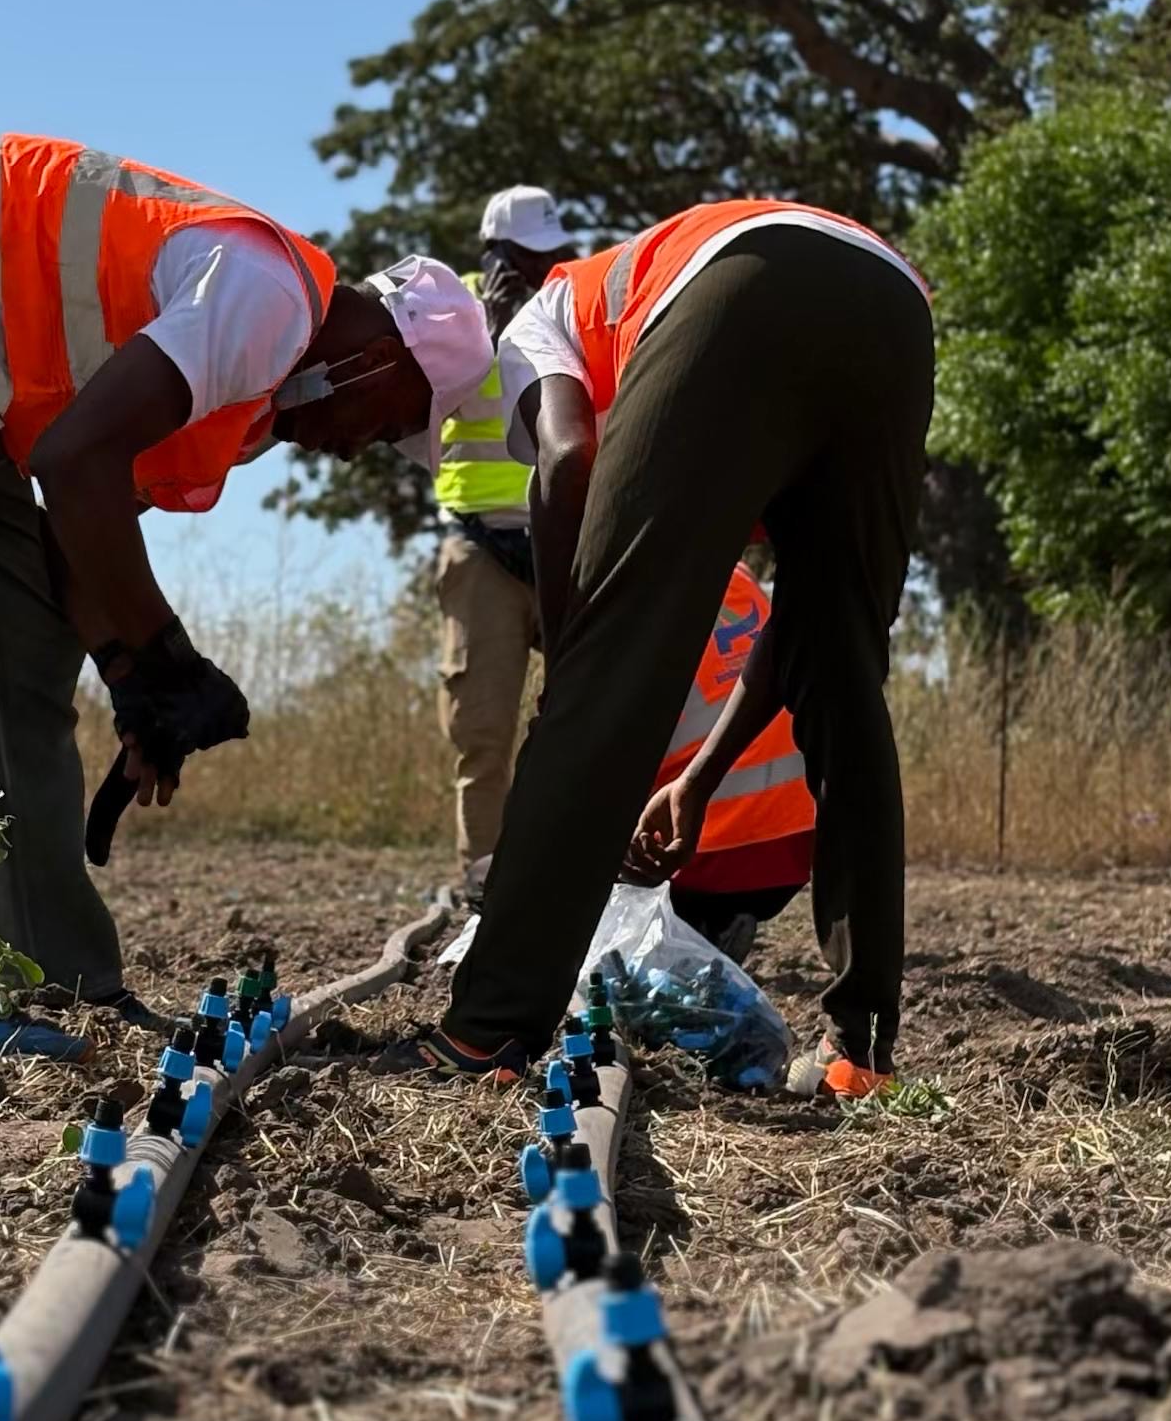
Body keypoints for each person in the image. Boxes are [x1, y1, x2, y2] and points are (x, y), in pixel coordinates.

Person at [0, 130, 490, 1057]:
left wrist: (134, 679)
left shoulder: (254, 399)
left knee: (28, 657)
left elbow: (86, 524)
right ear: (382, 363)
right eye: (387, 429)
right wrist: (168, 655)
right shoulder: (264, 303)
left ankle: (56, 977)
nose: (357, 449)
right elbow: (72, 461)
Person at [377, 197, 933, 1099]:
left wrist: (571, 652)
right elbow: (794, 631)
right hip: (894, 301)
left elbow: (564, 459)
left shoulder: (540, 318)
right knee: (845, 677)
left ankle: (485, 1032)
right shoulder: (738, 410)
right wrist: (699, 779)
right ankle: (861, 1054)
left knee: (604, 680)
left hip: (741, 283)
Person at [433, 187, 570, 897]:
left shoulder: (569, 307)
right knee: (481, 727)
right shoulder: (448, 309)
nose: (537, 270)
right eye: (521, 258)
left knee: (584, 717)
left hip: (563, 545)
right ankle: (484, 881)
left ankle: (569, 868)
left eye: (548, 257)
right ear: (492, 254)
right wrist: (487, 328)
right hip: (482, 548)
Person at [625, 558, 815, 961]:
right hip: (797, 850)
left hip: (697, 854)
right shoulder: (741, 574)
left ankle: (691, 926)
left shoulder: (635, 597)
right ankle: (720, 919)